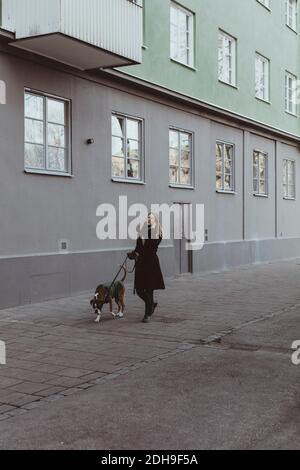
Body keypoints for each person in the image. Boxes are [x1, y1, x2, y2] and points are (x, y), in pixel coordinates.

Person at [128, 213, 165, 323]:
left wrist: (139, 253)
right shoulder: (142, 231)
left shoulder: (157, 232)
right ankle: (151, 304)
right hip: (141, 264)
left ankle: (147, 314)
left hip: (151, 264)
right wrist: (133, 254)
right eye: (148, 218)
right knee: (139, 290)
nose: (149, 219)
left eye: (151, 218)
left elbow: (151, 247)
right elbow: (138, 247)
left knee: (149, 289)